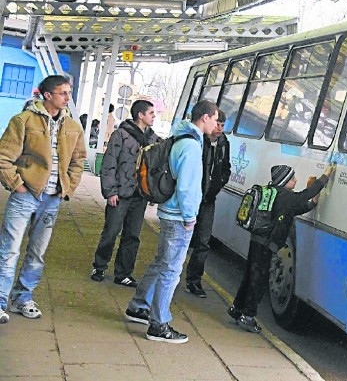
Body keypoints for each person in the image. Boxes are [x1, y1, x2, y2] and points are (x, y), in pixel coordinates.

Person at [124, 100, 218, 344]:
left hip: (169, 211)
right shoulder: (191, 146)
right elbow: (187, 186)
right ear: (205, 118)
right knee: (171, 271)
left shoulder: (180, 139)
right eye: (215, 118)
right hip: (179, 216)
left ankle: (138, 306)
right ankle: (159, 324)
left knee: (160, 263)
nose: (216, 124)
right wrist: (190, 217)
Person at [0, 75, 86, 324]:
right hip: (25, 196)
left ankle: (23, 298)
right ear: (47, 95)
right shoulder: (24, 120)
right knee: (10, 250)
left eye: (69, 92)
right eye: (63, 93)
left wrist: (68, 186)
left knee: (37, 253)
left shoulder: (72, 125)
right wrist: (17, 185)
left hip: (52, 199)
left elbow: (79, 160)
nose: (68, 97)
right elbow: (4, 157)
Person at [228, 163, 335, 333]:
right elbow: (305, 195)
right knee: (259, 281)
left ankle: (237, 308)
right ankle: (247, 316)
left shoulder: (276, 194)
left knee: (250, 277)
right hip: (266, 244)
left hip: (257, 241)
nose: (296, 180)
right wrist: (325, 177)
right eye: (293, 179)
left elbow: (296, 208)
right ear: (285, 181)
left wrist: (312, 204)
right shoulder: (285, 195)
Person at [90, 100, 159, 287]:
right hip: (119, 193)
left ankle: (123, 273)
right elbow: (109, 163)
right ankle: (100, 266)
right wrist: (110, 191)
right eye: (151, 113)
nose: (154, 116)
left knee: (133, 235)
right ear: (140, 115)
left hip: (140, 195)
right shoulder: (121, 135)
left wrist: (152, 191)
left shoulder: (154, 139)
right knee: (111, 231)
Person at [184, 109, 231, 298]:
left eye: (222, 125)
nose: (219, 128)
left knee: (203, 242)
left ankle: (194, 280)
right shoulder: (197, 139)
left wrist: (218, 185)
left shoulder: (223, 143)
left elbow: (225, 167)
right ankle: (169, 276)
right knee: (183, 239)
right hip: (191, 197)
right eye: (217, 124)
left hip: (208, 200)